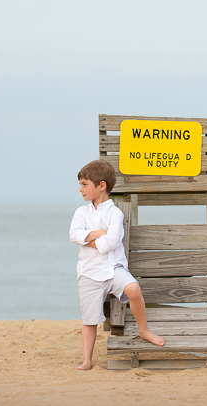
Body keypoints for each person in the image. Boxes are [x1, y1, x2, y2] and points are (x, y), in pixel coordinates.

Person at [70, 159, 164, 371]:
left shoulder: (115, 213)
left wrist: (90, 241)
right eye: (81, 184)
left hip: (113, 269)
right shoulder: (81, 213)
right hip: (88, 273)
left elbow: (112, 242)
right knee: (90, 319)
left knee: (134, 289)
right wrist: (99, 235)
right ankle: (87, 360)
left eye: (85, 184)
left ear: (101, 185)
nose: (80, 189)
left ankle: (144, 330)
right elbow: (73, 235)